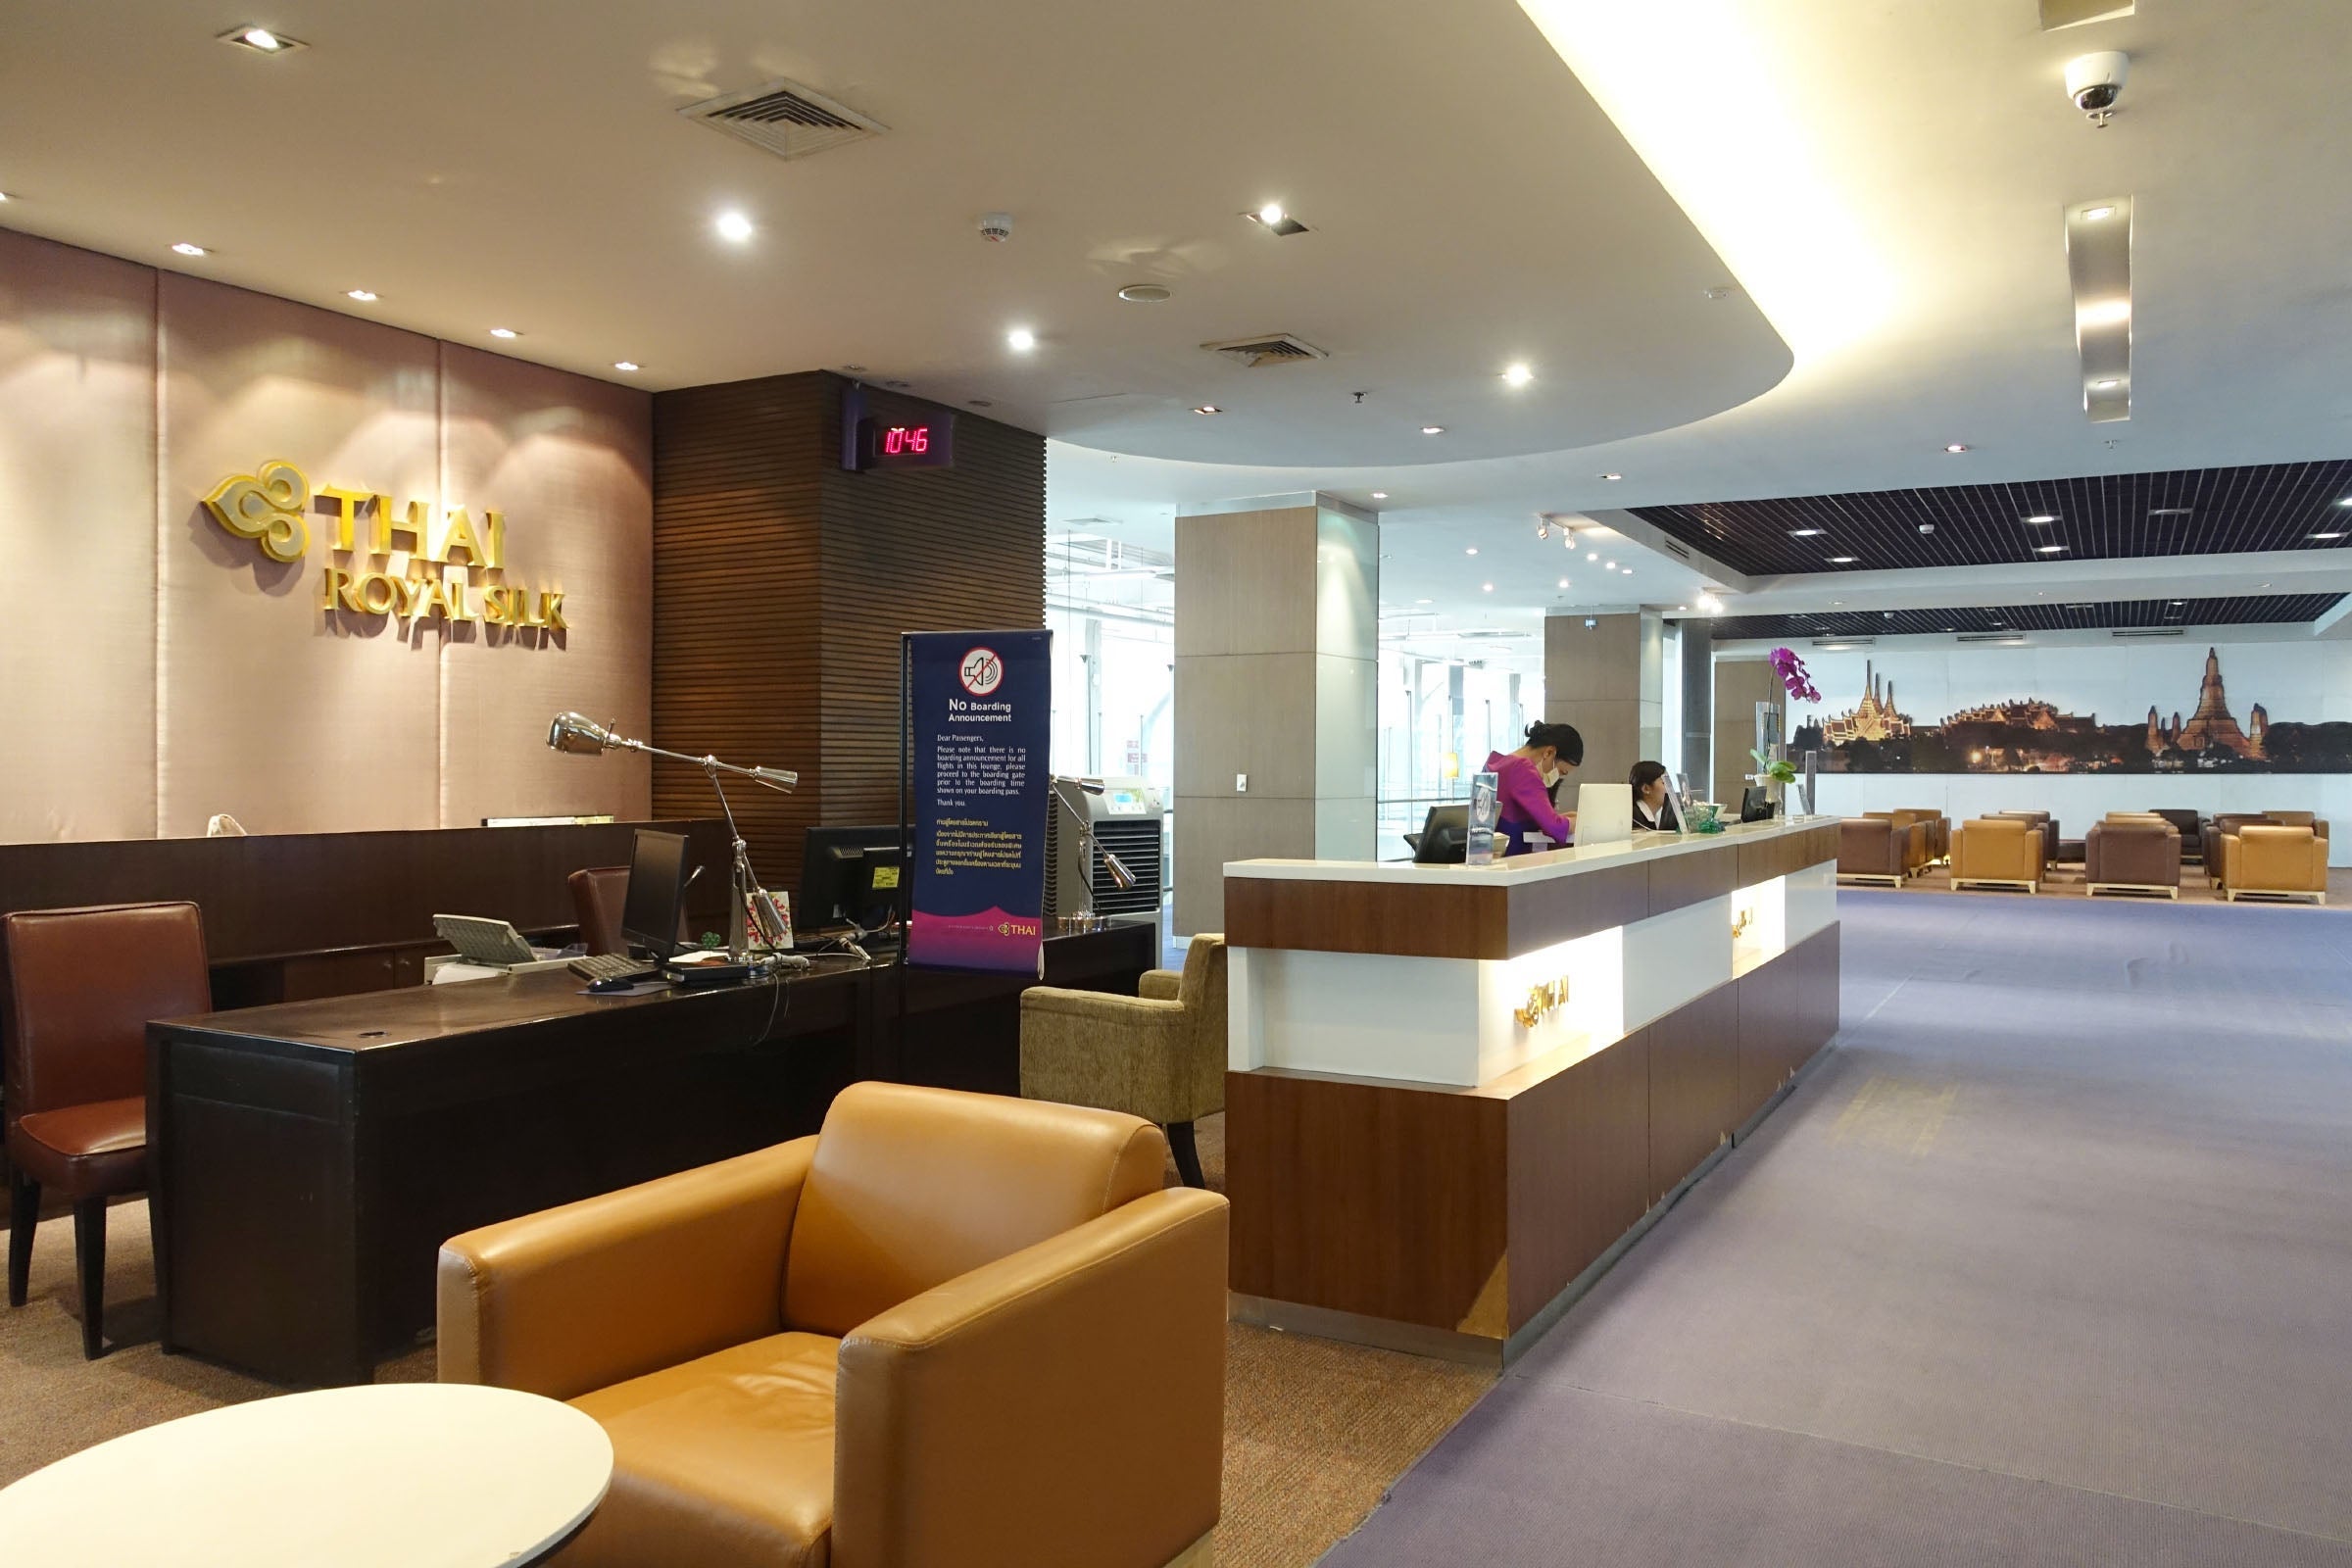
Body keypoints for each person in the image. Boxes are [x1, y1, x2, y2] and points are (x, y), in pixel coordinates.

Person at [1482, 721, 1582, 856]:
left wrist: (1564, 818)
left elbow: (1518, 817)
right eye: (1561, 772)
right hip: (1514, 859)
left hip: (1489, 856)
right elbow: (1554, 827)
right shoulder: (1523, 769)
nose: (1557, 777)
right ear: (1549, 752)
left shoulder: (1495, 762)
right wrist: (1581, 821)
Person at [1631, 760, 1681, 832]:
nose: (1670, 788)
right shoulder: (1633, 818)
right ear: (1645, 788)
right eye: (1664, 782)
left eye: (1669, 782)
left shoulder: (1661, 815)